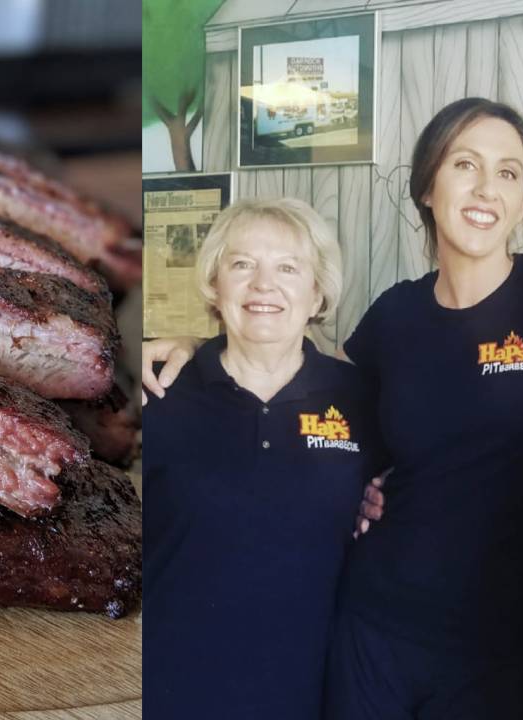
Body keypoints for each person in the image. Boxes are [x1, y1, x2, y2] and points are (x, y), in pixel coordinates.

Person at [143, 98, 523, 719]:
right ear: (427, 186)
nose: (485, 188)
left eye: (508, 173)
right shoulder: (395, 316)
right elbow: (299, 365)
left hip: (501, 643)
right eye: (464, 164)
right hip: (374, 632)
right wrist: (200, 344)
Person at [142, 197, 383, 719]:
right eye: (243, 264)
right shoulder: (158, 390)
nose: (263, 285)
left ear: (317, 292)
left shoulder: (361, 399)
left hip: (311, 693)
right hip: (169, 691)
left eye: (288, 268)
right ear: (214, 284)